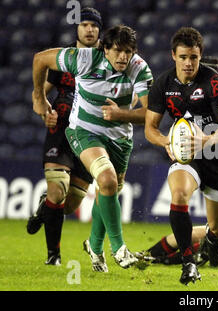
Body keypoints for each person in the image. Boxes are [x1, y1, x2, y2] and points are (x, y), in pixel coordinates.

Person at [32, 24, 153, 272]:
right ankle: (119, 248)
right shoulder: (84, 58)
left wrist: (121, 114)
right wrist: (39, 97)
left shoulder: (138, 67)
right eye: (118, 51)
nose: (123, 57)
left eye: (128, 51)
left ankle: (95, 246)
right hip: (83, 130)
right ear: (104, 49)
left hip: (119, 137)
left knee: (110, 190)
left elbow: (151, 114)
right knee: (107, 180)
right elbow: (40, 59)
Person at [145, 27, 218, 285]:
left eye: (193, 57)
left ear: (200, 55)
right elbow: (150, 128)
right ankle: (188, 263)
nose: (188, 63)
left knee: (217, 226)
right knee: (179, 195)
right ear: (173, 55)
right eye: (183, 57)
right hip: (186, 155)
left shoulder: (214, 82)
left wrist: (206, 140)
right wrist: (166, 141)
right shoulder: (163, 84)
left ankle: (213, 236)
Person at [26, 7, 103, 266]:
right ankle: (53, 256)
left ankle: (44, 208)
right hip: (61, 129)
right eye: (84, 24)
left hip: (90, 133)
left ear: (99, 29)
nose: (89, 29)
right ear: (77, 29)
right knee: (58, 191)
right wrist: (42, 106)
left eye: (94, 25)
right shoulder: (65, 58)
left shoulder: (109, 57)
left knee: (69, 204)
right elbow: (43, 89)